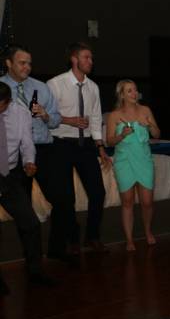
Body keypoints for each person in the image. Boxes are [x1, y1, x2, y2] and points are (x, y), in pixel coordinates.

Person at [1, 46, 64, 262]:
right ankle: (32, 261)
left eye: (29, 63)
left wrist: (46, 115)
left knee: (62, 199)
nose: (27, 67)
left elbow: (56, 120)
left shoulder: (41, 87)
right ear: (8, 63)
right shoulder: (1, 88)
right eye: (22, 63)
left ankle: (57, 250)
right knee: (25, 212)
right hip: (13, 157)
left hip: (43, 150)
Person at [47, 42, 109, 253]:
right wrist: (69, 120)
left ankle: (92, 236)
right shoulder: (55, 84)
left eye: (91, 58)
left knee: (98, 193)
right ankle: (72, 238)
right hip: (61, 145)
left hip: (87, 146)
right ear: (74, 59)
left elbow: (96, 118)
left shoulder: (93, 87)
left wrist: (100, 146)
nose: (90, 62)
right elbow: (44, 115)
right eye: (86, 58)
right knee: (67, 198)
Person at [0, 82, 56, 293]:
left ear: (7, 102)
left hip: (10, 174)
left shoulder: (20, 112)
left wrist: (29, 162)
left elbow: (26, 142)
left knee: (31, 223)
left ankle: (35, 271)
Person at [105, 80, 160, 251]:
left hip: (144, 159)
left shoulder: (145, 111)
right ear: (121, 94)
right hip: (124, 161)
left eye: (135, 90)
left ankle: (148, 231)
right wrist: (121, 135)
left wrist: (149, 125)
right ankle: (129, 239)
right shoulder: (114, 115)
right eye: (129, 91)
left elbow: (157, 134)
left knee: (147, 201)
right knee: (127, 202)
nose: (134, 93)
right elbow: (109, 141)